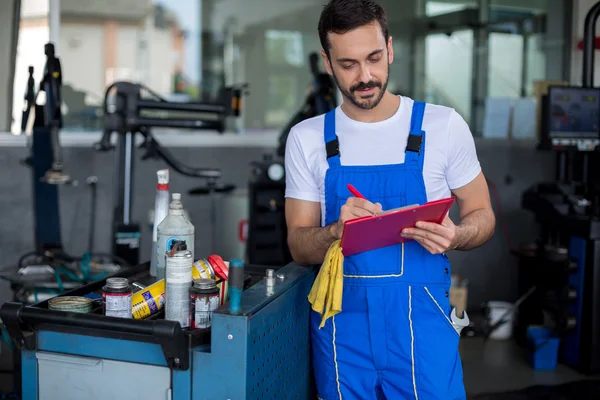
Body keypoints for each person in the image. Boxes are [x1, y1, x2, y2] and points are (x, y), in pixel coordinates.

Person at [283, 0, 496, 399]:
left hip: (422, 324)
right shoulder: (308, 139)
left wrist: (458, 234)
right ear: (328, 64)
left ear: (391, 49)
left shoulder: (442, 126)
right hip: (341, 330)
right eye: (348, 64)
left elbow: (482, 214)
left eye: (374, 58)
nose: (365, 76)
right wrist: (334, 231)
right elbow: (298, 245)